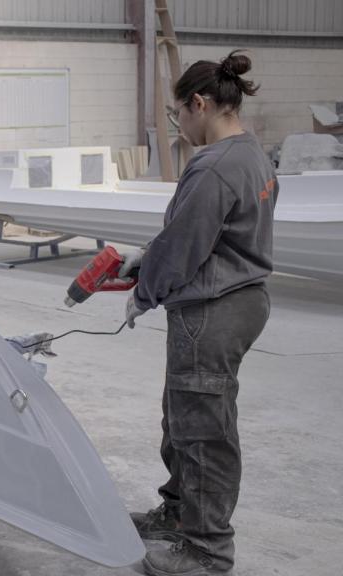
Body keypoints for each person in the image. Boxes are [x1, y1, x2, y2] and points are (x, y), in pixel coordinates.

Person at [120, 51, 276, 576]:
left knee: (202, 429)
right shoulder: (251, 152)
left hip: (212, 309)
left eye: (177, 115)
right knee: (182, 416)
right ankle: (179, 514)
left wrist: (145, 290)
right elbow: (212, 232)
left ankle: (207, 552)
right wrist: (149, 256)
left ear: (200, 104)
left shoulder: (213, 166)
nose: (179, 125)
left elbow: (185, 245)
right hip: (239, 298)